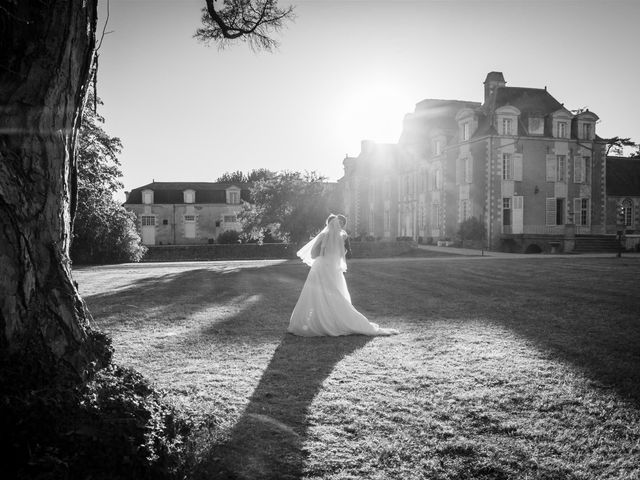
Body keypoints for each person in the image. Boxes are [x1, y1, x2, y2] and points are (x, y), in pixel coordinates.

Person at [288, 214, 398, 337]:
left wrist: (322, 254)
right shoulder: (342, 237)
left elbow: (313, 254)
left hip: (321, 269)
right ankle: (337, 319)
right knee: (336, 294)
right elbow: (344, 255)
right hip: (335, 270)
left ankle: (318, 321)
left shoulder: (323, 235)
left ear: (328, 224)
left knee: (315, 295)